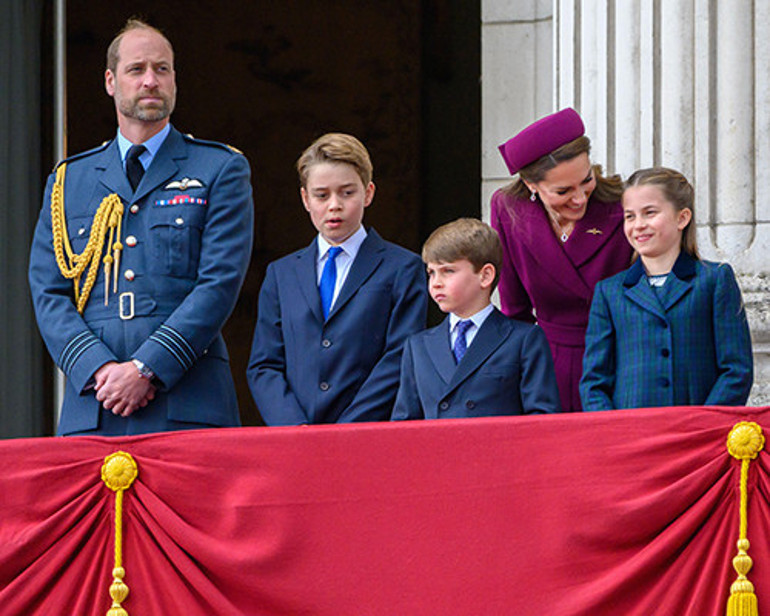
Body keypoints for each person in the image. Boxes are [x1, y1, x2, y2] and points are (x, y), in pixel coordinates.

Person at [28, 19, 254, 435]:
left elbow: (219, 283)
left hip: (189, 402)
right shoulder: (68, 181)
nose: (151, 80)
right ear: (111, 81)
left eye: (162, 69)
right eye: (137, 69)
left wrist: (147, 367)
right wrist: (97, 369)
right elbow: (48, 291)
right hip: (95, 404)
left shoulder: (219, 168)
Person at [247, 132, 428, 425]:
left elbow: (400, 356)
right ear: (305, 199)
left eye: (347, 192)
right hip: (295, 439)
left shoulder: (403, 268)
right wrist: (294, 427)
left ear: (368, 193)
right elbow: (264, 364)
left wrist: (347, 429)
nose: (334, 205)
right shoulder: (281, 274)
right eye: (321, 195)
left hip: (367, 434)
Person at [490, 107, 633, 412]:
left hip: (618, 362)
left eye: (587, 180)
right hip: (545, 367)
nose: (580, 198)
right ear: (532, 186)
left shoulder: (623, 206)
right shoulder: (507, 209)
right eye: (563, 191)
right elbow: (514, 310)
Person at [580, 167, 753, 410]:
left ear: (682, 218)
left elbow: (736, 371)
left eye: (649, 213)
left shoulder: (714, 280)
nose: (638, 225)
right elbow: (594, 382)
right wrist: (615, 432)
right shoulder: (609, 292)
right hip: (632, 435)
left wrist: (702, 424)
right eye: (630, 216)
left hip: (697, 434)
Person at [391, 218, 560, 420]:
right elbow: (404, 424)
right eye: (431, 273)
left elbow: (541, 419)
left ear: (485, 275)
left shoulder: (524, 339)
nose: (435, 283)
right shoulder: (417, 346)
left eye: (448, 271)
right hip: (437, 451)